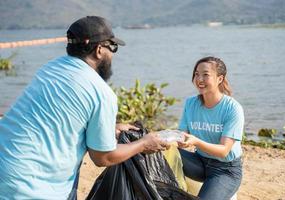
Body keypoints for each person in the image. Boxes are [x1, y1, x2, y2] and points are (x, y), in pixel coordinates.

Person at [0, 16, 168, 199]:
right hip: (30, 186)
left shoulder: (50, 69)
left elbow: (58, 118)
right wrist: (143, 143)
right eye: (112, 48)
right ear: (99, 50)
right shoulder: (101, 92)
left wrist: (110, 128)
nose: (112, 54)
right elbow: (103, 157)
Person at [178, 56, 244, 200]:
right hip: (199, 162)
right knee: (163, 153)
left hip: (225, 170)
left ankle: (224, 191)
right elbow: (181, 135)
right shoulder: (191, 103)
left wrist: (195, 142)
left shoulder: (232, 108)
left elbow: (224, 150)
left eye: (205, 75)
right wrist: (171, 139)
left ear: (220, 79)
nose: (199, 79)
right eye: (196, 74)